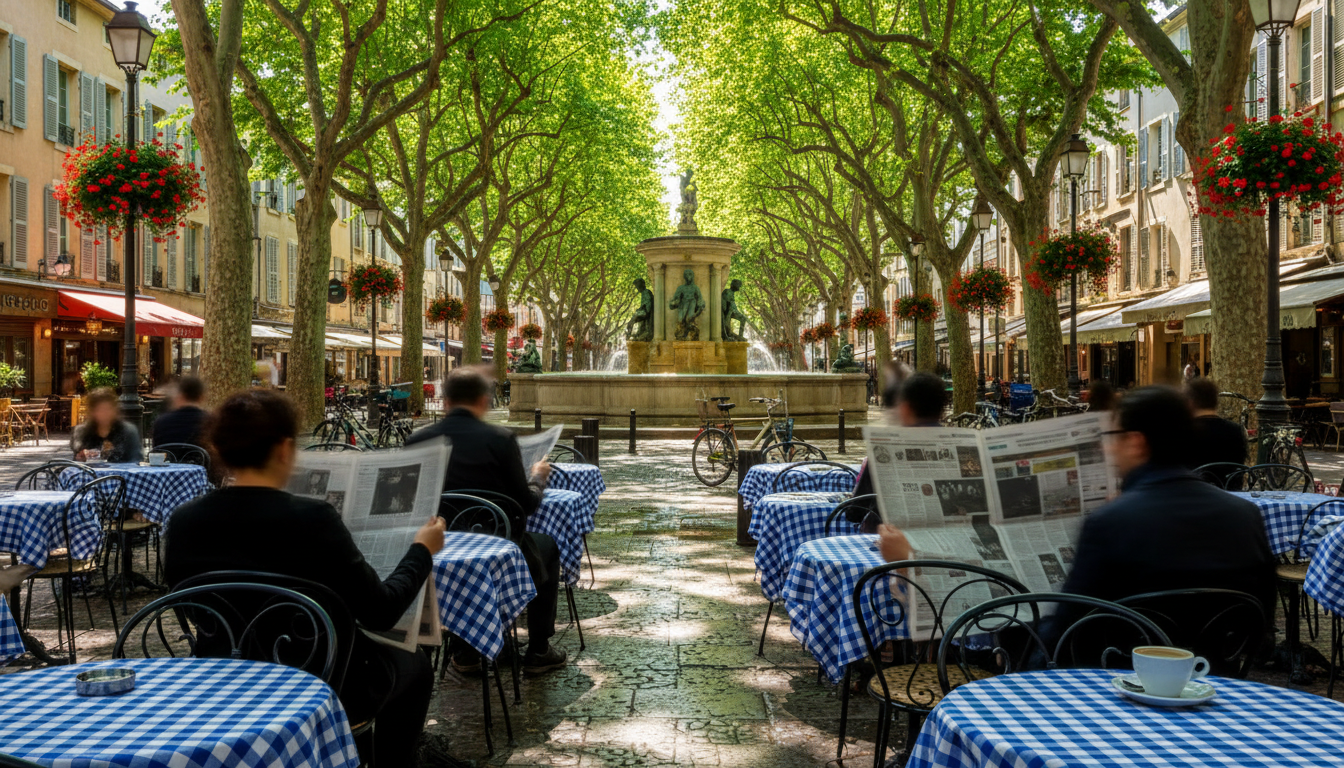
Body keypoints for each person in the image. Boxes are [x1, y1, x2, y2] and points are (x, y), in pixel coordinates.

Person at [163, 390, 453, 767]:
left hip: (219, 682)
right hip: (320, 680)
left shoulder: (185, 520)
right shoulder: (312, 518)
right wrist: (421, 551)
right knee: (414, 667)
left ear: (217, 449)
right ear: (285, 450)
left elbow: (184, 602)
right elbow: (380, 613)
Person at [1062, 386, 1276, 629]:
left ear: (1136, 442)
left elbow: (1069, 622)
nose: (1107, 448)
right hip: (1218, 663)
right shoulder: (1246, 515)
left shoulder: (1109, 522)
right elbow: (1263, 612)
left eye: (1112, 436)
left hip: (1127, 662)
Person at [404, 367, 567, 674]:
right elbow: (527, 504)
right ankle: (539, 649)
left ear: (444, 402)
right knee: (547, 547)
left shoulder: (417, 440)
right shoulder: (500, 439)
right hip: (497, 545)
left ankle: (467, 652)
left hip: (438, 551)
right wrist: (538, 480)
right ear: (483, 401)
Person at [853, 371, 945, 552]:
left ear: (905, 408)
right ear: (942, 409)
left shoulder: (884, 452)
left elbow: (855, 511)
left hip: (885, 556)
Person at [1185, 377, 1248, 485]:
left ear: (1190, 402)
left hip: (1192, 493)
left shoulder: (1183, 431)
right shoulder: (1236, 431)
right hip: (1229, 494)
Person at [71, 388, 143, 463]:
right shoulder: (81, 432)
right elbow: (76, 462)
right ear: (92, 412)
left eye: (108, 409)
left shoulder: (128, 431)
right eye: (100, 410)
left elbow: (136, 460)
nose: (105, 413)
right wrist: (80, 458)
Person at [152, 376, 208, 449]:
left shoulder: (162, 422)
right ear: (201, 397)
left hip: (170, 460)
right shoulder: (210, 422)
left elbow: (157, 450)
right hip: (201, 460)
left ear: (181, 395)